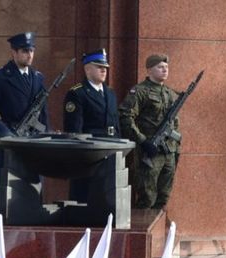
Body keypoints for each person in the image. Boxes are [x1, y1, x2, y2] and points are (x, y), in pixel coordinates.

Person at [0, 32, 47, 194]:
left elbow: (43, 114)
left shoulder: (38, 78)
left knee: (34, 195)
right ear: (13, 53)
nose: (29, 55)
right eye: (24, 51)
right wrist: (5, 135)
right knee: (9, 197)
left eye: (31, 50)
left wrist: (46, 138)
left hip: (34, 144)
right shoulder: (1, 77)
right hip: (11, 143)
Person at [119, 54, 180, 210]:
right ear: (149, 70)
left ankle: (158, 233)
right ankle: (143, 231)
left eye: (166, 67)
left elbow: (175, 123)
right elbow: (126, 116)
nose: (164, 70)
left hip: (168, 152)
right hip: (150, 152)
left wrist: (176, 147)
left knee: (163, 197)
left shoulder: (169, 93)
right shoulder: (140, 91)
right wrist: (142, 140)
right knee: (147, 197)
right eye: (160, 67)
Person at [63, 48, 120, 201]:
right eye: (99, 66)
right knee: (87, 199)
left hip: (110, 152)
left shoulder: (110, 93)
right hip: (89, 156)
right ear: (87, 69)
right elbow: (74, 130)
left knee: (107, 198)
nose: (103, 70)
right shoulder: (77, 93)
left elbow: (116, 124)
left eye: (105, 67)